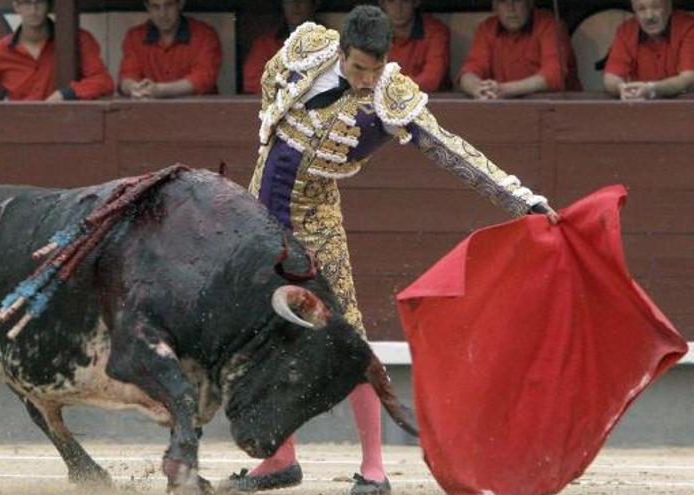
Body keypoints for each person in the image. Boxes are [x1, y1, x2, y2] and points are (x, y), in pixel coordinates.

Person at [218, 6, 559, 495]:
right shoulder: (308, 46)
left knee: (348, 337)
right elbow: (269, 96)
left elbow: (449, 148)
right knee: (269, 336)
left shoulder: (388, 96)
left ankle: (374, 468)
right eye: (359, 68)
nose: (367, 80)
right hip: (259, 218)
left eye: (376, 69)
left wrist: (521, 200)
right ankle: (280, 458)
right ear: (341, 51)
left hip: (316, 223)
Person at [0, 0, 114, 101]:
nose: (33, 9)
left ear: (48, 5)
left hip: (66, 130)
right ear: (16, 6)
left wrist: (66, 94)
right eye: (27, 2)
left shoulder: (79, 39)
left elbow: (103, 81)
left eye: (39, 2)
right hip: (20, 132)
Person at [459, 0, 580, 99]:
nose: (511, 8)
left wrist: (505, 89)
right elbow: (470, 71)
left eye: (517, 1)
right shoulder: (487, 28)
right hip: (505, 109)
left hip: (555, 110)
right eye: (503, 1)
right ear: (494, 7)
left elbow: (554, 74)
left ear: (530, 3)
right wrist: (477, 88)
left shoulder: (550, 25)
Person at [119, 0, 222, 98]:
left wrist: (161, 90)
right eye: (155, 6)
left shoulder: (205, 34)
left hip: (199, 112)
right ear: (147, 7)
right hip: (151, 112)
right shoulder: (135, 36)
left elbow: (204, 78)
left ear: (181, 4)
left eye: (168, 5)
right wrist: (133, 87)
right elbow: (128, 76)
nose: (162, 14)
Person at [603, 0, 694, 100]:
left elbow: (688, 78)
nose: (649, 16)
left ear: (668, 6)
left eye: (656, 7)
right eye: (641, 9)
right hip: (641, 107)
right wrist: (621, 88)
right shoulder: (626, 30)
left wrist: (652, 89)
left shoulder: (689, 26)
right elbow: (611, 77)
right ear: (634, 11)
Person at [242, 0, 320, 95]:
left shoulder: (331, 42)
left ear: (315, 4)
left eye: (302, 0)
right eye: (289, 1)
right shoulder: (265, 44)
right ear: (282, 4)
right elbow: (253, 83)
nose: (296, 4)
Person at [379, 0, 450, 92]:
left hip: (429, 102)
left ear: (416, 2)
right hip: (381, 102)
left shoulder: (435, 31)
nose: (398, 9)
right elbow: (364, 77)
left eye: (405, 1)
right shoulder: (371, 33)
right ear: (382, 4)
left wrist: (392, 90)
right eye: (391, 1)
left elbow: (431, 79)